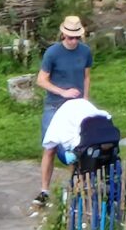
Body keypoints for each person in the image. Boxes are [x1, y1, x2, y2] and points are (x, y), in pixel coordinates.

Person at [35, 16, 93, 207]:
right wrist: (62, 92)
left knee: (77, 146)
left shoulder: (85, 51)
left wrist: (85, 99)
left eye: (76, 37)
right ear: (63, 35)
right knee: (50, 147)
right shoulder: (52, 53)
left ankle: (75, 187)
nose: (73, 41)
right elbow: (41, 80)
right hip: (55, 105)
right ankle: (44, 190)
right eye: (70, 37)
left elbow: (86, 76)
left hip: (76, 107)